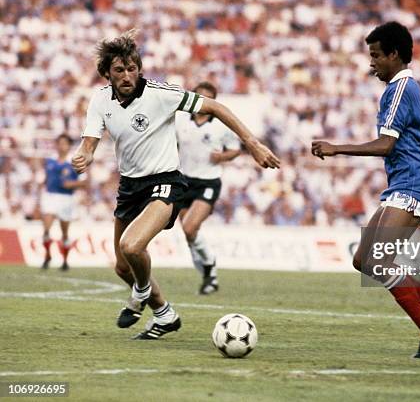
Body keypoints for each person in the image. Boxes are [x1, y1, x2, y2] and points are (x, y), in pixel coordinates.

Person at [72, 31, 280, 340]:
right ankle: (165, 314)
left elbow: (215, 107)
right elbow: (90, 140)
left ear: (139, 68)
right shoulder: (100, 99)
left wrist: (252, 144)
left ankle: (140, 294)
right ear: (107, 73)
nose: (127, 75)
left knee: (132, 246)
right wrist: (84, 154)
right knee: (122, 267)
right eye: (119, 70)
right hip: (130, 186)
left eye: (132, 68)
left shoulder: (160, 93)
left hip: (165, 181)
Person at [312, 21, 420, 360]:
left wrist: (336, 148)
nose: (371, 63)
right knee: (364, 260)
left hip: (412, 185)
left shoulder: (400, 89)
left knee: (380, 259)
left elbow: (386, 145)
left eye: (376, 55)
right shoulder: (409, 89)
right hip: (409, 184)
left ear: (394, 54)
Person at [176, 81, 241, 295]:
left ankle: (210, 264)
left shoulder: (221, 124)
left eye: (207, 98)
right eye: (199, 97)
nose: (203, 102)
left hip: (208, 182)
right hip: (184, 180)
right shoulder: (180, 120)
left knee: (189, 227)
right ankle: (208, 276)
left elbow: (235, 150)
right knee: (190, 234)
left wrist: (221, 156)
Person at [41, 134, 86, 271]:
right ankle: (47, 255)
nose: (61, 146)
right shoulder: (50, 160)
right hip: (50, 196)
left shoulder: (75, 161)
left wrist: (71, 184)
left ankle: (65, 261)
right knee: (46, 229)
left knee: (64, 232)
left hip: (66, 199)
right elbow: (46, 178)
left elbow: (84, 182)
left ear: (69, 146)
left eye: (64, 143)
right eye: (59, 143)